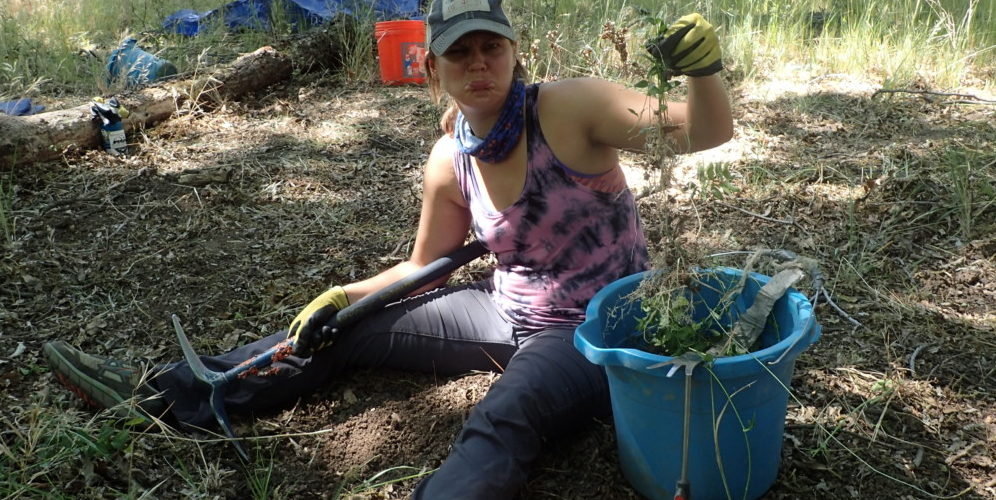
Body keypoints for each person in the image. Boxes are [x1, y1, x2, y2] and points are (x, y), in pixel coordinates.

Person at [43, 0, 733, 497]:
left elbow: (703, 131)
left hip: (596, 328)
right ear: (432, 69)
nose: (479, 63)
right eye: (459, 53)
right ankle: (161, 395)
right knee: (344, 332)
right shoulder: (449, 157)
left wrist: (703, 71)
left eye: (491, 46)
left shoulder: (571, 107)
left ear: (515, 51)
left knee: (505, 414)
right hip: (506, 309)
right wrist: (343, 299)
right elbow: (420, 264)